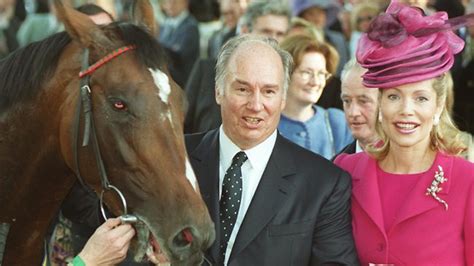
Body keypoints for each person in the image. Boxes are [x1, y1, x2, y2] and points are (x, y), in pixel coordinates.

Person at [186, 34, 359, 266]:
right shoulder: (175, 157)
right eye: (243, 89)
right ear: (219, 91)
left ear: (283, 98)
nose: (256, 105)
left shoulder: (323, 184)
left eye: (269, 91)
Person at [334, 1, 474, 264]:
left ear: (438, 105)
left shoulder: (468, 182)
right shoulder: (346, 170)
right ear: (380, 103)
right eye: (394, 96)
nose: (406, 110)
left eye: (420, 98)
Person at [184, 1, 291, 134]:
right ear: (245, 31)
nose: (274, 40)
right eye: (266, 32)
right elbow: (182, 125)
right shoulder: (206, 71)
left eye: (280, 34)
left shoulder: (295, 78)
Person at [278, 34, 353, 160]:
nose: (315, 82)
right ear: (285, 73)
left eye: (321, 74)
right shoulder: (266, 122)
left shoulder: (337, 123)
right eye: (306, 73)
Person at [338, 59, 379, 155]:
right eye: (347, 101)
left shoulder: (413, 163)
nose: (353, 113)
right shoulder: (335, 166)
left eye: (363, 101)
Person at [159, 0, 199, 87]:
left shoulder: (190, 27)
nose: (170, 5)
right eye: (168, 2)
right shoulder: (165, 25)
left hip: (182, 83)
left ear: (185, 2)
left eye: (174, 1)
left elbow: (178, 58)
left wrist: (157, 47)